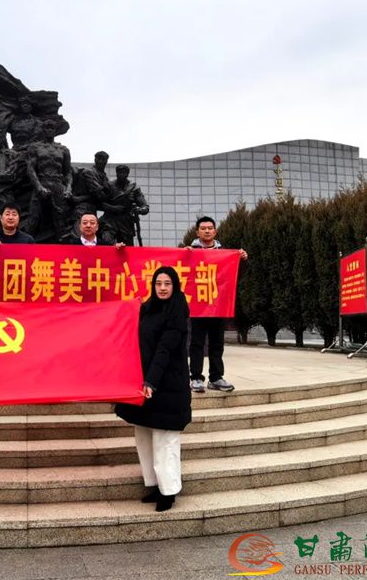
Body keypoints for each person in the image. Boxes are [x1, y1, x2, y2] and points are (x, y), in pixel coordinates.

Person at [115, 266, 191, 512]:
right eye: (158, 283)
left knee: (164, 440)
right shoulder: (147, 308)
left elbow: (165, 349)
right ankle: (155, 485)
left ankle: (169, 492)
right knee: (144, 436)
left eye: (167, 283)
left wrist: (151, 382)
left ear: (174, 285)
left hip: (167, 386)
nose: (162, 288)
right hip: (144, 384)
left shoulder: (177, 310)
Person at [187, 216, 248, 393]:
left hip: (218, 304)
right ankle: (195, 377)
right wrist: (184, 255)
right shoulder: (189, 251)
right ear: (197, 232)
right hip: (198, 305)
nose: (207, 231)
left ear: (215, 231)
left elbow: (235, 277)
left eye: (210, 228)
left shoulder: (225, 253)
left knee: (217, 343)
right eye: (203, 228)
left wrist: (242, 261)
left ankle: (216, 378)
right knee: (197, 343)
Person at [26, 119, 73, 242]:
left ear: (55, 130)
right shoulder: (35, 147)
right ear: (43, 130)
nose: (49, 130)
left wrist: (68, 189)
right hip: (42, 181)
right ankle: (24, 248)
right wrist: (39, 187)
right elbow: (30, 169)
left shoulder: (63, 149)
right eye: (47, 127)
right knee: (33, 219)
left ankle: (61, 250)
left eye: (52, 127)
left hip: (57, 184)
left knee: (60, 221)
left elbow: (68, 172)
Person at [99, 165, 149, 246]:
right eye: (120, 173)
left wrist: (139, 210)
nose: (122, 175)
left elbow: (145, 206)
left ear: (127, 174)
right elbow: (101, 203)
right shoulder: (109, 186)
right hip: (110, 221)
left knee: (128, 248)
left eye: (124, 173)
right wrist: (114, 208)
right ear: (116, 173)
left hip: (126, 223)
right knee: (106, 242)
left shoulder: (134, 188)